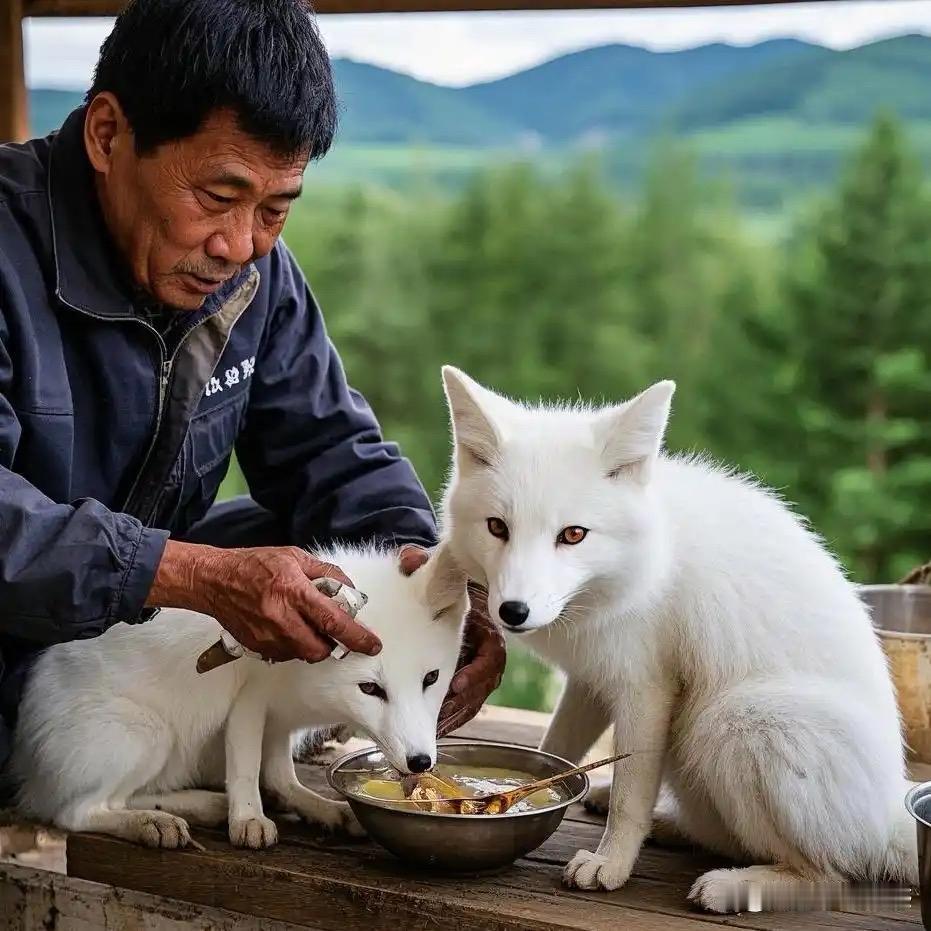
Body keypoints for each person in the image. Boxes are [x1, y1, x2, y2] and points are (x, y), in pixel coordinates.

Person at [0, 0, 505, 768]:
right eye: (218, 196)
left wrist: (429, 588)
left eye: (275, 208)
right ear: (108, 134)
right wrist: (189, 573)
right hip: (29, 643)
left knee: (324, 564)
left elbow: (332, 451)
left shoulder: (256, 278)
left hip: (110, 651)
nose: (239, 245)